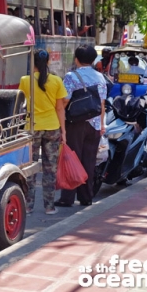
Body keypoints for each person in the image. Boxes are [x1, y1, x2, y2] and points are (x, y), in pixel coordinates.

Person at [56, 45, 107, 207]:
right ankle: (86, 198)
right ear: (93, 60)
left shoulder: (71, 76)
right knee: (89, 161)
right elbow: (102, 103)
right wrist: (102, 124)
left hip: (76, 123)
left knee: (72, 158)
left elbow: (65, 100)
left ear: (76, 59)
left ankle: (68, 197)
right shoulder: (100, 77)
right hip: (95, 124)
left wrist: (59, 121)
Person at [19, 49, 68, 215]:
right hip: (52, 127)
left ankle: (27, 205)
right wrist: (64, 131)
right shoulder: (56, 81)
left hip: (31, 128)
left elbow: (21, 104)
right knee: (50, 169)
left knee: (29, 169)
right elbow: (60, 108)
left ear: (33, 63)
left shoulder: (25, 81)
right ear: (48, 62)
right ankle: (49, 207)